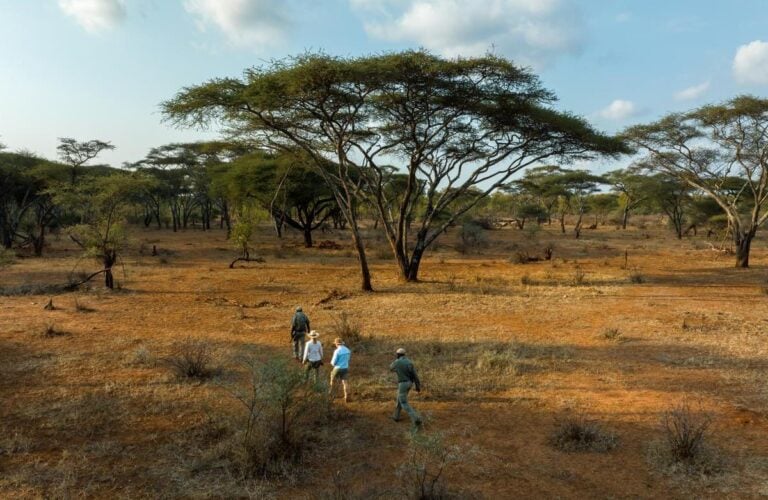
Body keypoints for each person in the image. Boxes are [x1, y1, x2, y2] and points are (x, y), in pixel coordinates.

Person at [389, 347, 422, 428]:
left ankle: (416, 419)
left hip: (402, 384)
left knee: (403, 402)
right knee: (399, 399)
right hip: (410, 383)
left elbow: (391, 368)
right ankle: (396, 416)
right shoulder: (409, 362)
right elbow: (415, 375)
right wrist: (418, 386)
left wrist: (396, 362)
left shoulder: (397, 362)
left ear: (397, 355)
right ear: (404, 354)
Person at [329, 337, 351, 403]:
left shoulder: (337, 351)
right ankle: (346, 396)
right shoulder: (347, 350)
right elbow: (348, 359)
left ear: (337, 344)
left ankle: (331, 394)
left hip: (337, 368)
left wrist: (333, 364)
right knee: (345, 382)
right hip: (345, 368)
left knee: (333, 380)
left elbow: (333, 362)